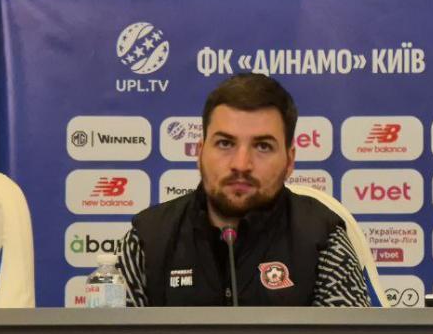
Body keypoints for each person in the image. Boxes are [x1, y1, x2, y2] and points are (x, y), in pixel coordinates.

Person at [117, 74, 369, 306]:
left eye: (262, 146)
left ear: (290, 160)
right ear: (200, 152)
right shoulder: (147, 240)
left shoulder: (323, 239)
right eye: (225, 143)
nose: (241, 164)